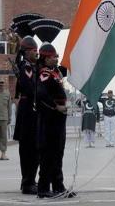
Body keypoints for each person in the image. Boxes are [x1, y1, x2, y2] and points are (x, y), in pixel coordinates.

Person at [36, 42, 76, 199]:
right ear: (46, 59)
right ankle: (44, 188)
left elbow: (68, 65)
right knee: (48, 153)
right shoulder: (44, 73)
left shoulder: (56, 71)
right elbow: (41, 94)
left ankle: (58, 186)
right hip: (49, 117)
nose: (57, 59)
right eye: (54, 57)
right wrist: (55, 106)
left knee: (58, 152)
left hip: (59, 117)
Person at [13, 35, 39, 195]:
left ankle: (29, 180)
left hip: (30, 109)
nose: (37, 54)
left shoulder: (29, 66)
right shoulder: (27, 67)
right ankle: (28, 182)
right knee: (29, 148)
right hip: (28, 110)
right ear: (27, 52)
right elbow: (30, 89)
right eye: (34, 51)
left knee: (32, 148)